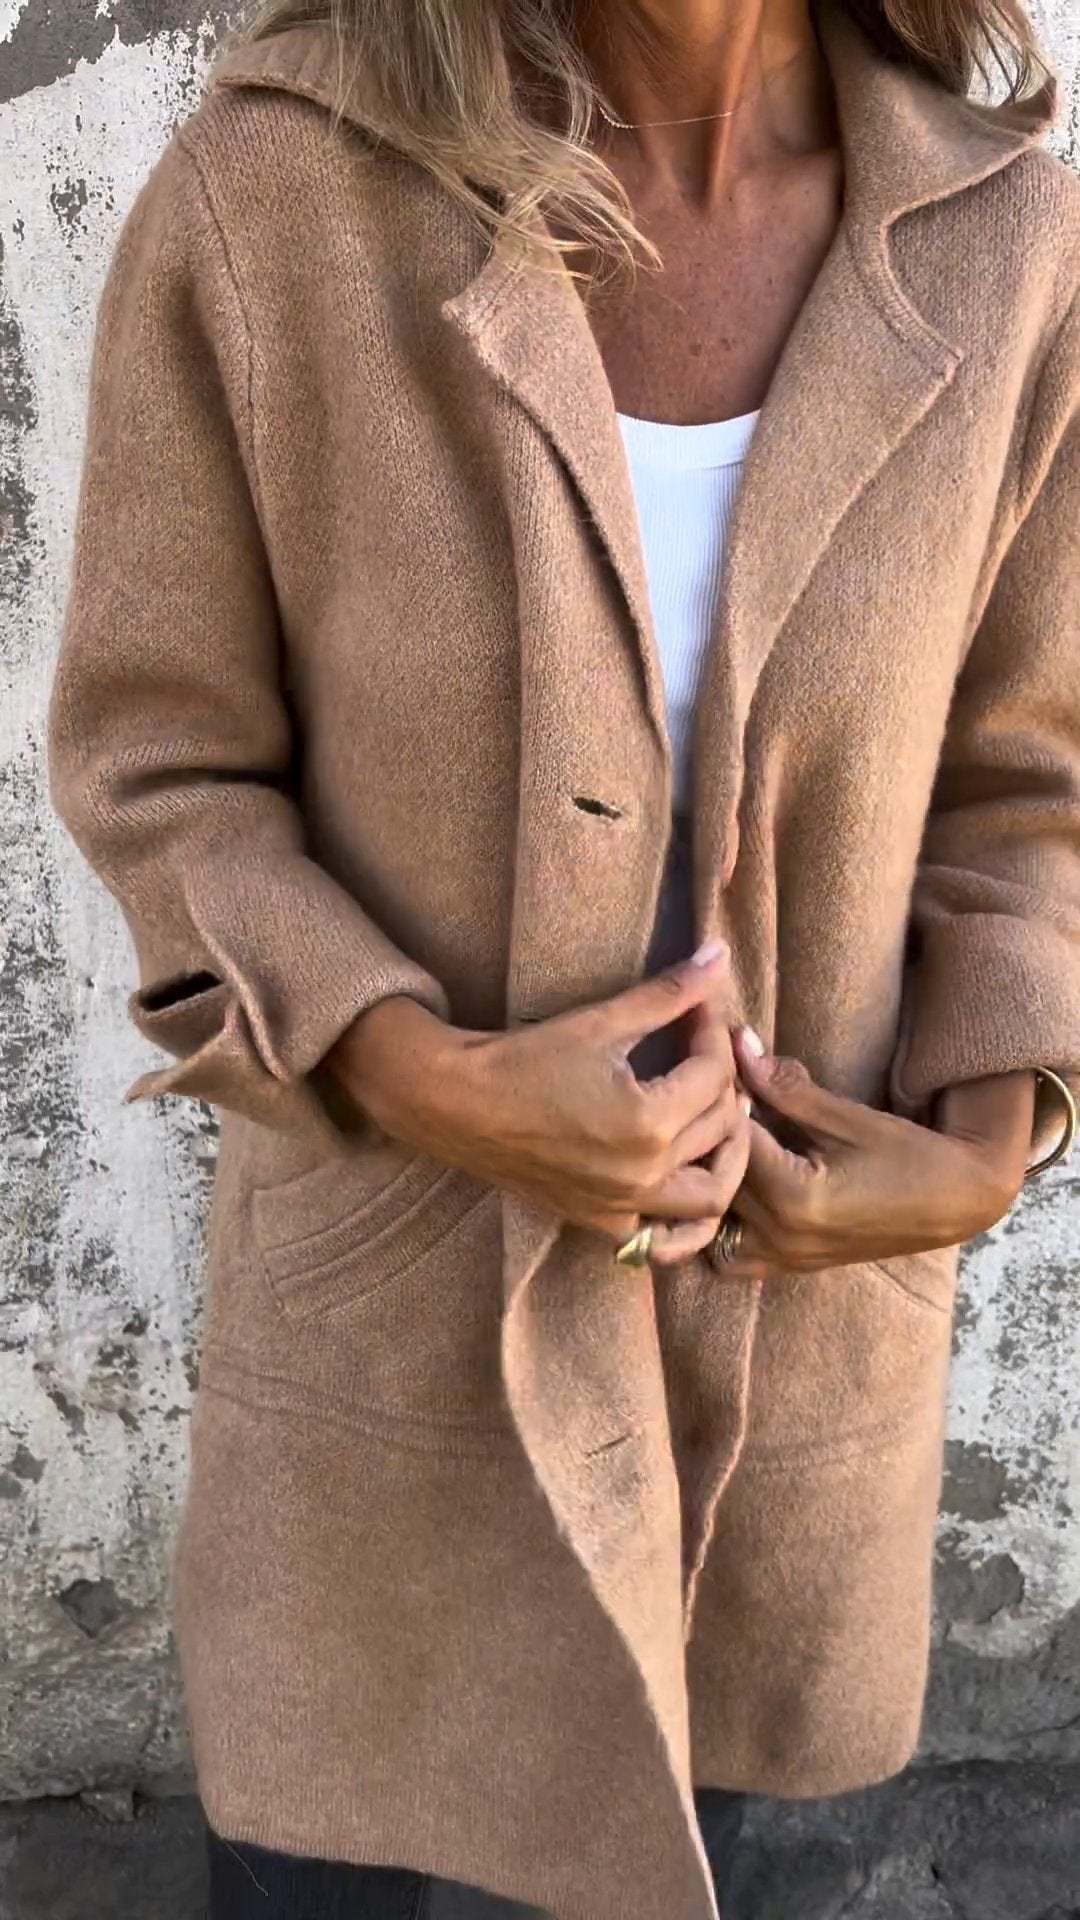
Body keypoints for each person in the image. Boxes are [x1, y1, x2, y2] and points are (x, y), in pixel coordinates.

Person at [47, 0, 1079, 1909]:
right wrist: (422, 1075)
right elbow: (162, 763)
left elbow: (1032, 783)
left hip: (772, 1378)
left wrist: (983, 1147)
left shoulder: (1008, 245)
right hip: (392, 1354)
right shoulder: (280, 194)